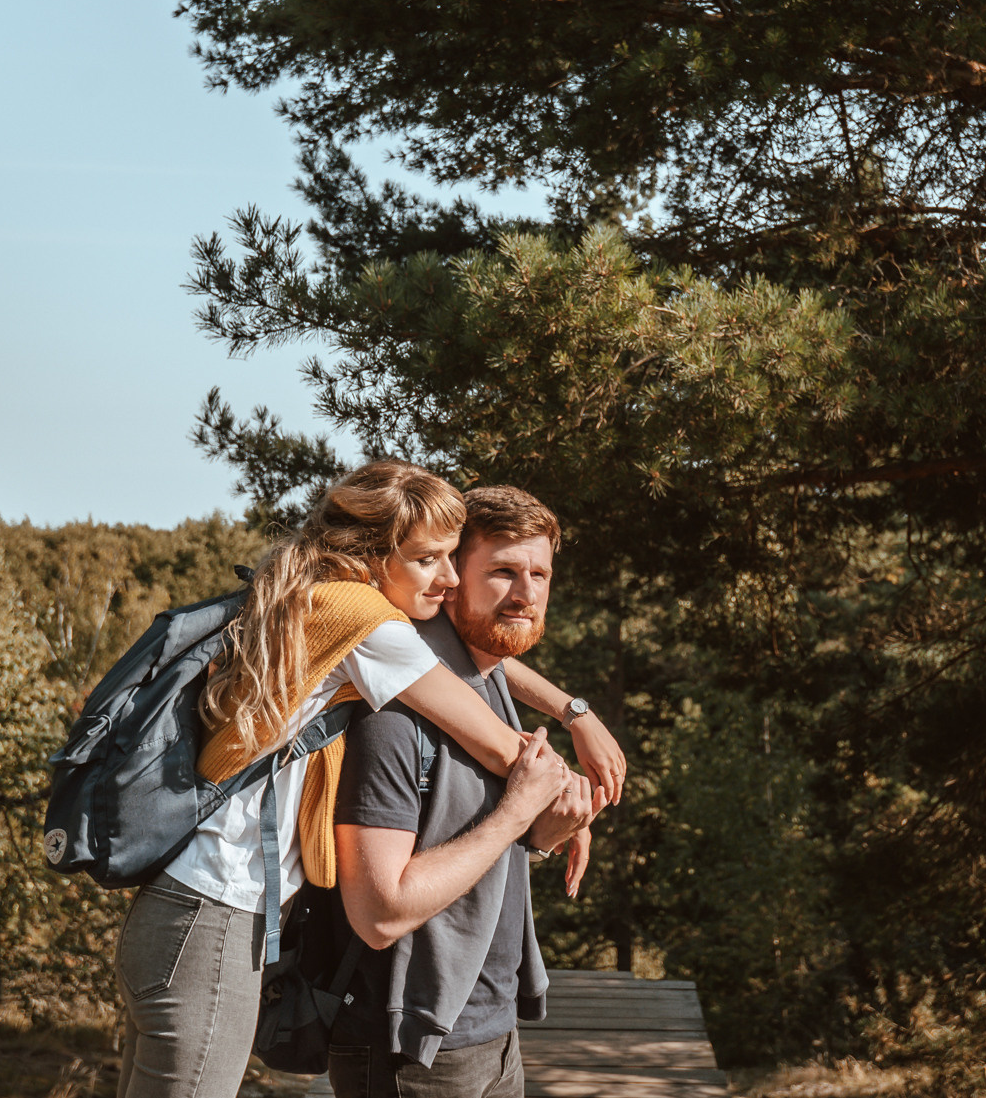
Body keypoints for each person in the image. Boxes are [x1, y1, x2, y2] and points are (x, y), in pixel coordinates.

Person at [111, 463, 612, 1098]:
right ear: (373, 556)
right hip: (211, 913)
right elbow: (497, 742)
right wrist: (556, 791)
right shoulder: (362, 619)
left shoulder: (322, 599)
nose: (448, 579)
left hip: (189, 910)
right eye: (428, 559)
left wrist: (572, 713)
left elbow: (472, 660)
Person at [327, 486, 605, 1098]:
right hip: (410, 1049)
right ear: (451, 578)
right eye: (503, 572)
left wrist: (541, 832)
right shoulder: (393, 717)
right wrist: (519, 816)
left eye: (539, 574)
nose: (526, 593)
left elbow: (476, 839)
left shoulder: (485, 681)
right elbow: (379, 913)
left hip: (491, 1029)